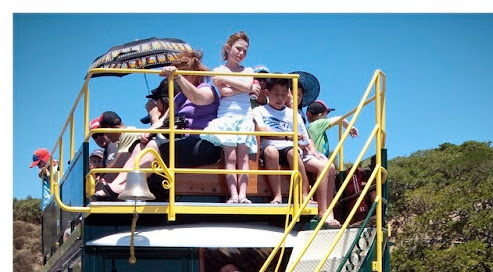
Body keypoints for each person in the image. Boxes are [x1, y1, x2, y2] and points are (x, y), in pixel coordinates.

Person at [89, 50, 222, 201]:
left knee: (154, 145)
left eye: (184, 73)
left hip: (204, 145)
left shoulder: (207, 89)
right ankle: (118, 184)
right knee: (139, 145)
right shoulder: (179, 98)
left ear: (194, 73)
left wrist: (178, 77)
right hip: (183, 143)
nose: (180, 78)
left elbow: (197, 98)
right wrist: (148, 132)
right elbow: (163, 120)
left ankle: (126, 185)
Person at [251, 78, 339, 225]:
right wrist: (288, 136)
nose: (280, 98)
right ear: (267, 93)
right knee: (272, 151)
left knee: (326, 166)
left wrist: (308, 147)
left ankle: (321, 208)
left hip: (293, 148)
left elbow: (304, 139)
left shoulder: (294, 115)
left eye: (283, 94)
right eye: (276, 94)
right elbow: (263, 131)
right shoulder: (259, 111)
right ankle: (278, 196)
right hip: (272, 146)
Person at [200, 31, 257, 204]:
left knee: (243, 158)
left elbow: (246, 85)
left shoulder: (248, 70)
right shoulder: (219, 70)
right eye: (238, 48)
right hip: (226, 116)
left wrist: (229, 80)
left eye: (245, 51)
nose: (241, 53)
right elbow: (224, 91)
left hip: (245, 116)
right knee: (230, 157)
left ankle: (243, 195)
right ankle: (234, 194)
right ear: (228, 48)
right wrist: (245, 87)